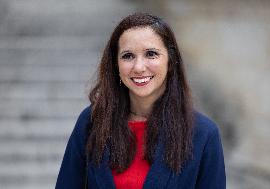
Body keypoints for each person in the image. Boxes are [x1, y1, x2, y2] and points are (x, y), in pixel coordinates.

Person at [55, 13, 226, 189]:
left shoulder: (204, 134)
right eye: (128, 56)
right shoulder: (92, 122)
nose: (138, 67)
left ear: (170, 61)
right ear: (116, 65)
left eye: (151, 54)